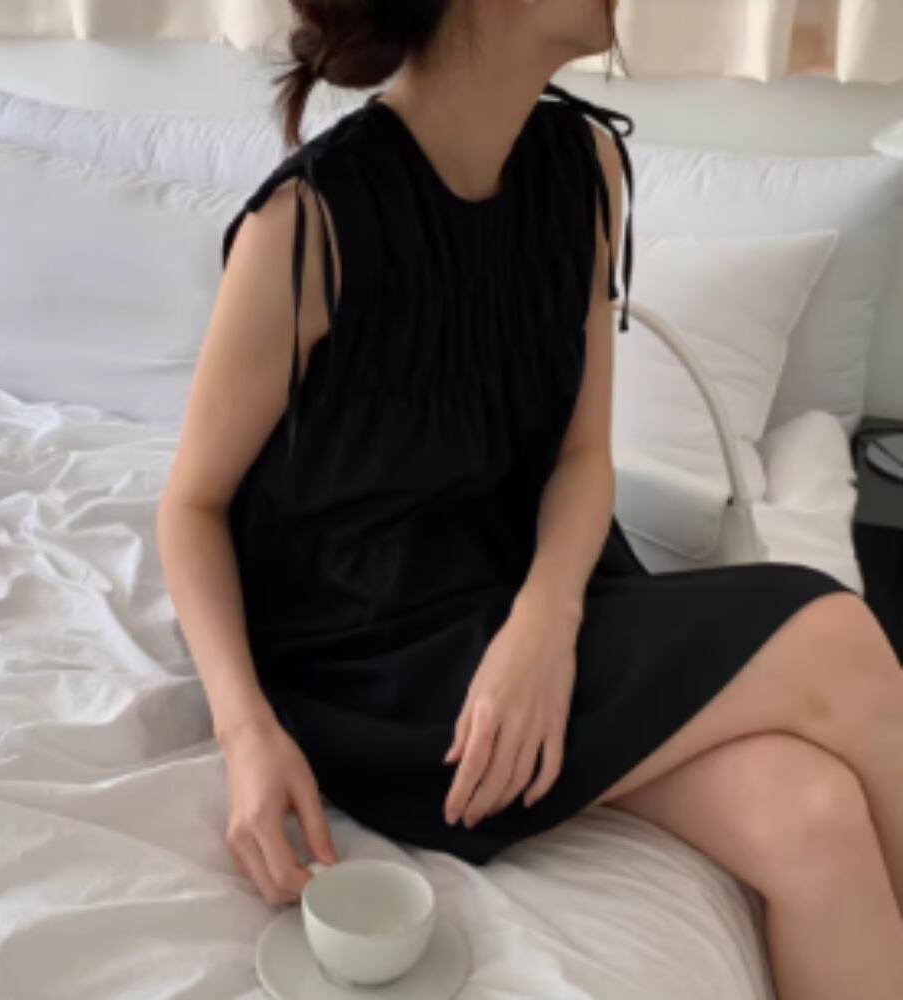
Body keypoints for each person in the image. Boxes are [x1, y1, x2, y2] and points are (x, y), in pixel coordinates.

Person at [156, 0, 903, 994]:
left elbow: (582, 457)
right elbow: (190, 507)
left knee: (814, 819)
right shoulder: (308, 223)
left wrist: (546, 627)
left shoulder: (584, 171)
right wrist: (245, 731)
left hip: (535, 601)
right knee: (835, 636)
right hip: (378, 665)